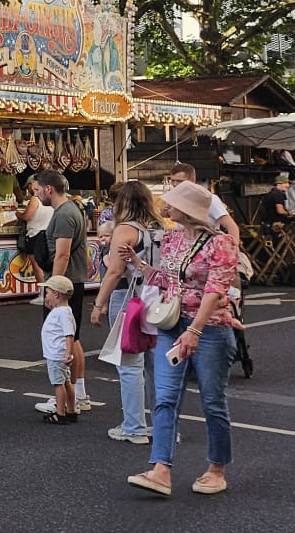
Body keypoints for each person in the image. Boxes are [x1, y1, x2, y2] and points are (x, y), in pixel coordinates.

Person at [127, 180, 246, 498]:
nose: (165, 206)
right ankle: (160, 470)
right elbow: (170, 282)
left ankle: (217, 468)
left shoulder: (221, 243)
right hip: (173, 324)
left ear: (188, 209)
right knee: (165, 398)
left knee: (212, 401)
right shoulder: (172, 238)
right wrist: (139, 265)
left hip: (209, 329)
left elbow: (215, 290)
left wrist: (194, 330)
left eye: (172, 202)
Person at [91, 181, 163, 444]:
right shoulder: (160, 228)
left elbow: (115, 271)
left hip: (129, 297)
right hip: (157, 298)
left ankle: (134, 426)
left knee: (130, 363)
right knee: (156, 367)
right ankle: (163, 426)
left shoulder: (126, 229)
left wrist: (99, 304)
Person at [31, 171, 95, 413]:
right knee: (72, 337)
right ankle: (78, 394)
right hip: (71, 282)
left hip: (66, 283)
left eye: (38, 190)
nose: (37, 195)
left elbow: (62, 254)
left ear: (49, 189)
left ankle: (72, 397)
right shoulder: (70, 210)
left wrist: (52, 287)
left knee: (66, 338)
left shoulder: (64, 214)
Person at [39, 274, 80, 425]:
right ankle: (71, 410)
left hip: (57, 354)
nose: (46, 296)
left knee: (58, 384)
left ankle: (60, 412)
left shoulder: (62, 313)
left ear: (56, 294)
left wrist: (69, 353)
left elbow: (69, 334)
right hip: (59, 353)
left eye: (48, 293)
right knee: (66, 382)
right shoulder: (63, 310)